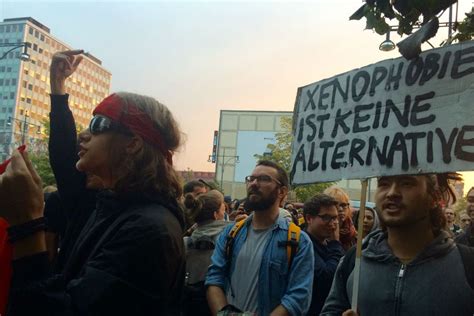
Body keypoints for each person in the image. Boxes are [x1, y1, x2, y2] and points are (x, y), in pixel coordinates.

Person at [1, 50, 186, 315]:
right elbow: (65, 158)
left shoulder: (148, 231)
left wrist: (26, 227)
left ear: (133, 144)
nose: (84, 135)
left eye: (98, 124)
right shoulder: (106, 206)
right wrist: (57, 88)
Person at [321, 173, 474, 315]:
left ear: (434, 197)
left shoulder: (467, 263)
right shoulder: (354, 260)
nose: (392, 192)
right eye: (384, 183)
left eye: (407, 183)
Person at [205, 160, 314, 316]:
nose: (254, 184)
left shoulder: (299, 242)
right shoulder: (230, 233)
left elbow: (298, 298)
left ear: (282, 192)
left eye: (263, 179)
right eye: (251, 179)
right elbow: (214, 278)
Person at [182, 190, 229, 316]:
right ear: (215, 215)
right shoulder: (229, 238)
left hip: (188, 304)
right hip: (220, 303)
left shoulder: (185, 242)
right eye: (223, 210)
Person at [303, 194, 344, 316]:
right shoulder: (303, 244)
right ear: (309, 218)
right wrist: (335, 243)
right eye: (326, 217)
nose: (333, 223)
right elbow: (326, 277)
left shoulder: (325, 243)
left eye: (335, 218)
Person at [324, 186, 356, 251]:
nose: (341, 209)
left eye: (343, 205)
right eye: (336, 205)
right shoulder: (322, 234)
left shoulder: (354, 233)